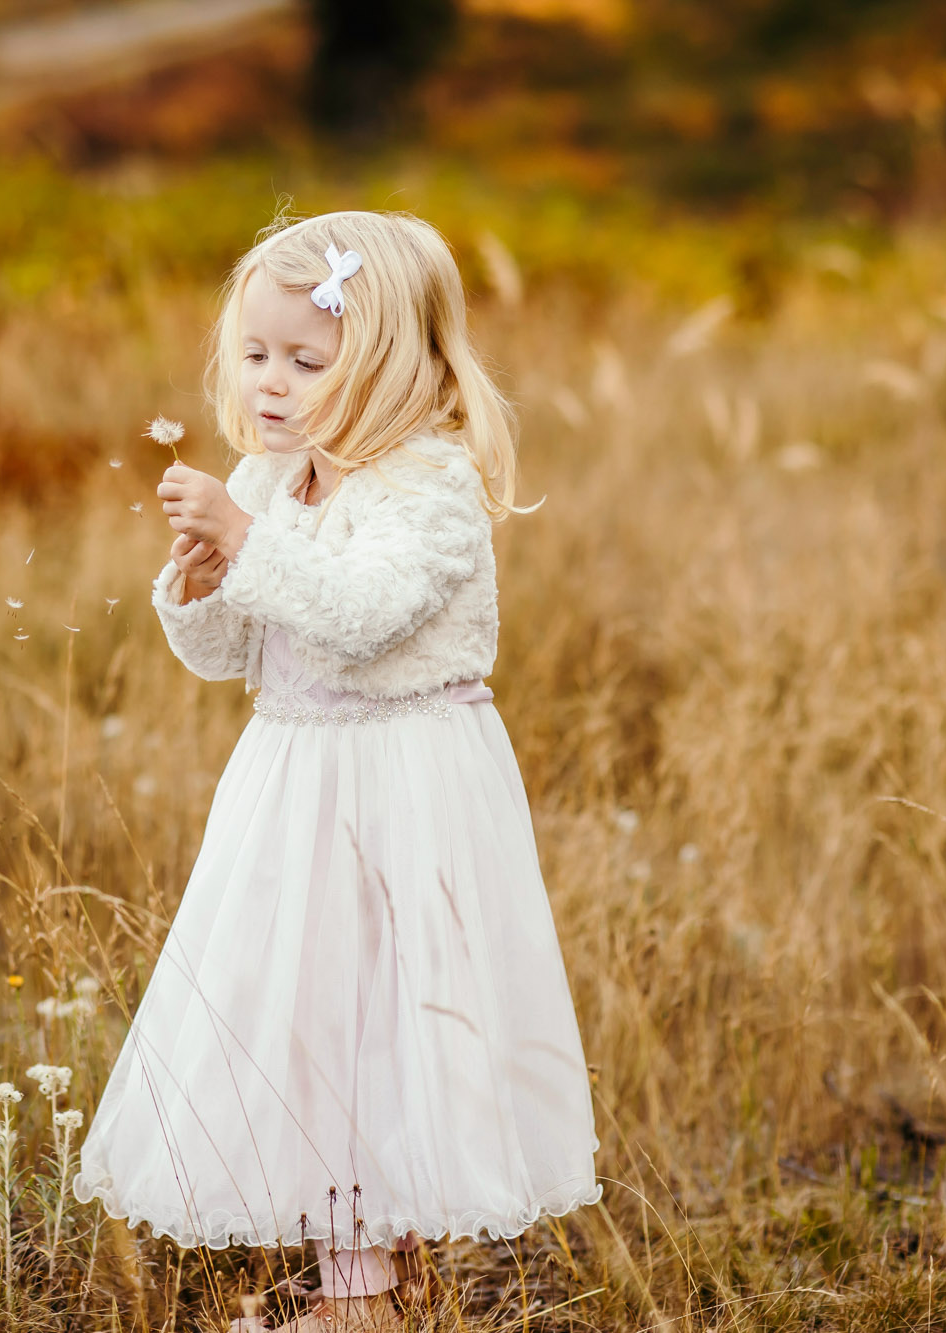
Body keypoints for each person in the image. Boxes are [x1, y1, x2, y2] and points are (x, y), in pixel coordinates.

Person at [70, 210, 602, 1333]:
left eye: (304, 362)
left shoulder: (427, 484)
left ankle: (364, 1296)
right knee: (309, 1022)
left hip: (402, 782)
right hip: (294, 777)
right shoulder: (269, 481)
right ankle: (369, 1281)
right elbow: (231, 656)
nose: (270, 384)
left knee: (387, 1024)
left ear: (387, 366)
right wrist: (204, 575)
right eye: (254, 356)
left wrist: (251, 546)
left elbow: (359, 615)